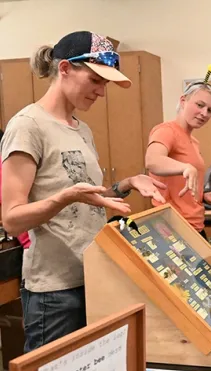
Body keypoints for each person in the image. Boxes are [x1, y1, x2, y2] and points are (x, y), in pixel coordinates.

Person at [0, 31, 166, 353]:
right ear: (64, 69)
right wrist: (65, 197)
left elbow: (88, 197)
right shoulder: (28, 126)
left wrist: (126, 184)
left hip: (93, 278)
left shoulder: (82, 129)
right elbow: (11, 219)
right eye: (95, 80)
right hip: (54, 292)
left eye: (105, 84)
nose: (101, 92)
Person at [145, 76, 211, 238]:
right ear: (183, 101)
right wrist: (185, 167)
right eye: (200, 105)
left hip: (195, 225)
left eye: (210, 110)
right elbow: (152, 161)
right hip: (172, 228)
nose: (204, 113)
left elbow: (180, 185)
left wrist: (203, 196)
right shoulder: (166, 131)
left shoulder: (194, 142)